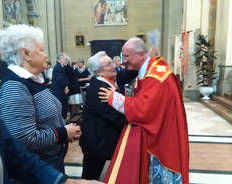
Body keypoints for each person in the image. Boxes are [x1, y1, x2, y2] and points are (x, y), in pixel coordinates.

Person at [0, 21, 103, 184]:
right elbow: (23, 140)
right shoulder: (14, 86)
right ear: (26, 53)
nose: (46, 55)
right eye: (42, 50)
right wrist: (63, 133)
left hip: (48, 168)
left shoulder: (33, 80)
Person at [99, 38, 189, 184]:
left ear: (140, 54)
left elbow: (143, 109)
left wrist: (114, 98)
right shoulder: (151, 69)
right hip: (161, 130)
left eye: (127, 56)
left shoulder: (156, 76)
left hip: (164, 139)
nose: (123, 61)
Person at [79, 51, 137, 180]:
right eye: (109, 64)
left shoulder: (111, 79)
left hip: (103, 137)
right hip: (96, 141)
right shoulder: (99, 88)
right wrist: (136, 120)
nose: (113, 65)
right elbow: (114, 118)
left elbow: (129, 73)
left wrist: (139, 60)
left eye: (112, 62)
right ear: (99, 71)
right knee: (90, 176)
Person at [51, 52, 70, 120]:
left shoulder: (61, 67)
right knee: (61, 108)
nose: (66, 61)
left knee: (63, 107)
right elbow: (60, 80)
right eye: (65, 59)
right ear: (60, 59)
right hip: (59, 92)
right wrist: (66, 87)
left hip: (61, 91)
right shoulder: (58, 67)